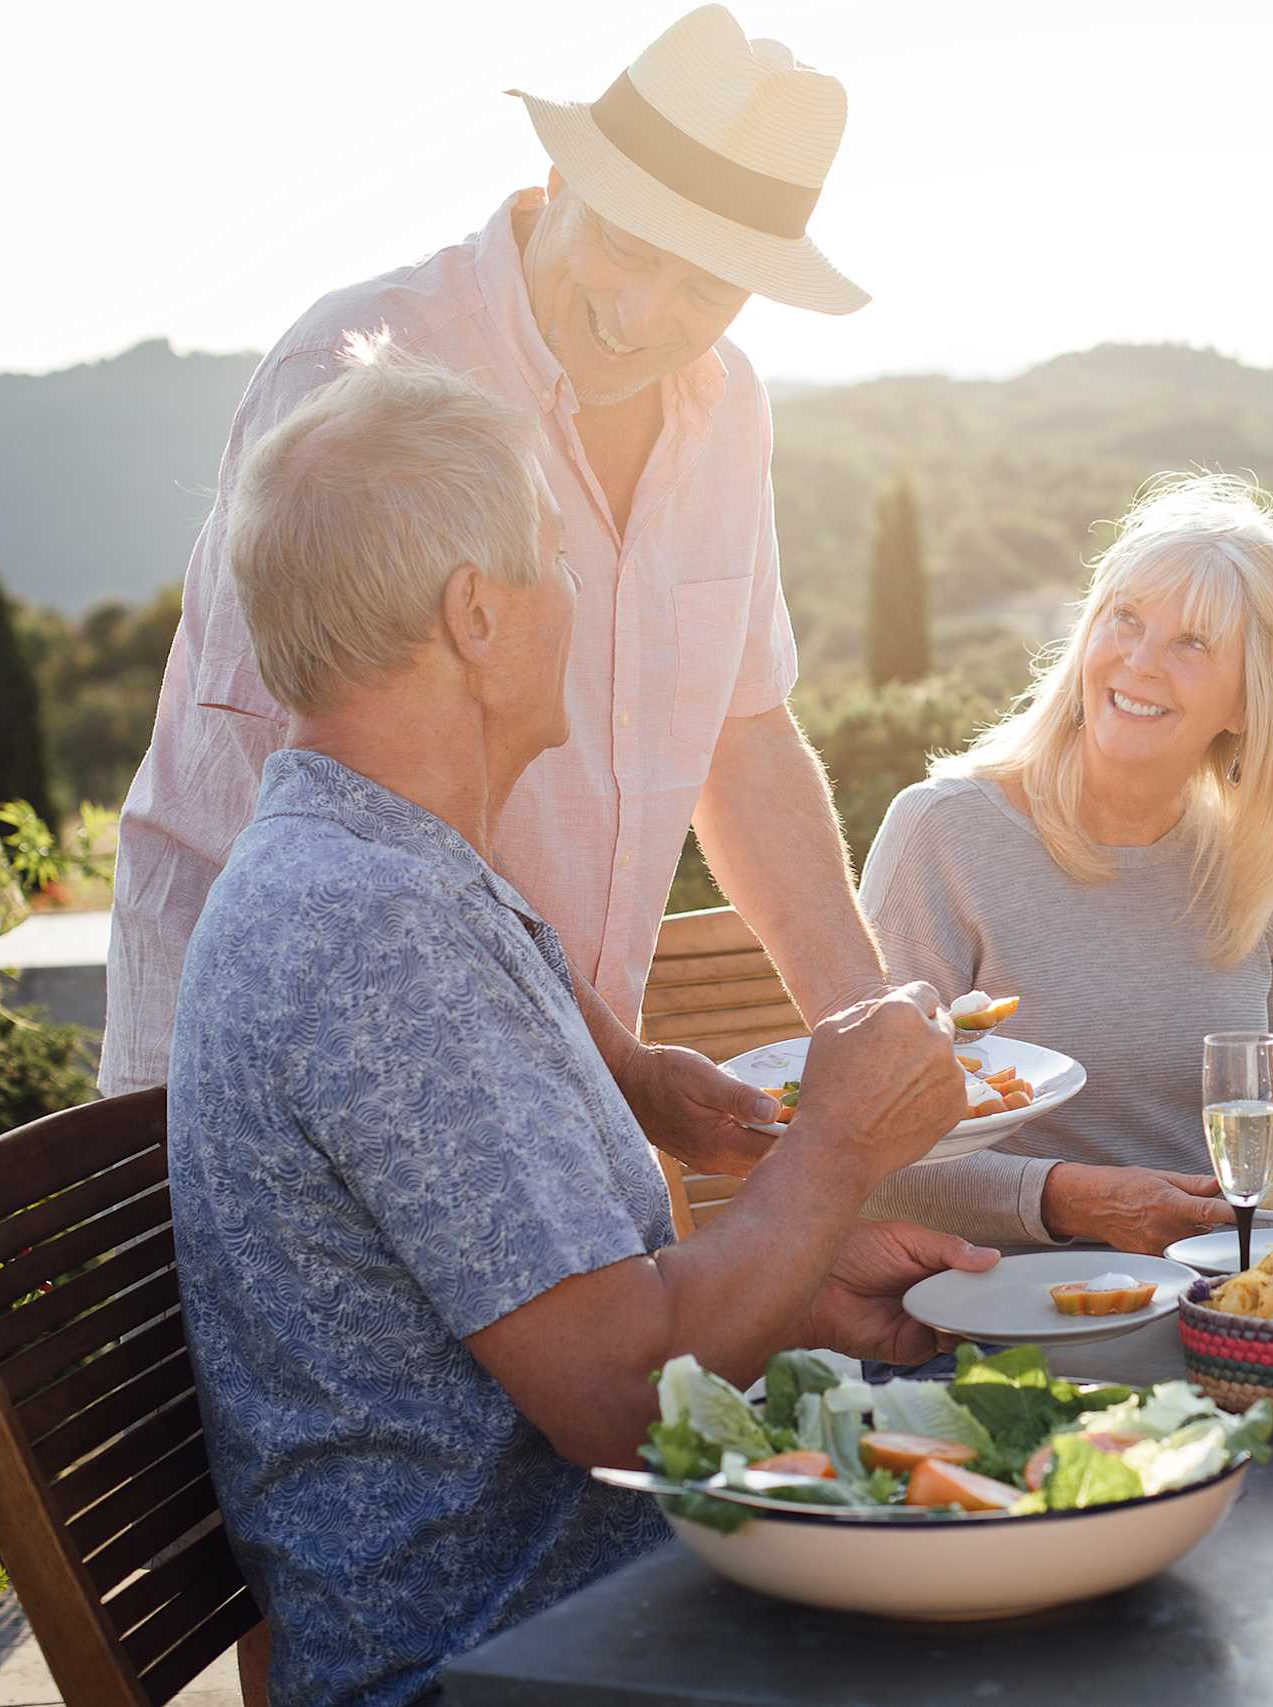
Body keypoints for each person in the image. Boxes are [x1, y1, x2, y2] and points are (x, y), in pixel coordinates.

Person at [168, 341, 994, 1707]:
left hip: (589, 1607)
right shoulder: (377, 933)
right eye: (558, 560)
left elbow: (571, 1327)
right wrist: (838, 1141)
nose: (582, 600)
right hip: (505, 1662)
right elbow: (620, 1389)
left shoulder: (388, 873)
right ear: (478, 613)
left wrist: (798, 1290)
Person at [109, 7, 885, 1188]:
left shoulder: (727, 411)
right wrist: (616, 1063)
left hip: (549, 1061)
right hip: (296, 1064)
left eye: (705, 287)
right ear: (560, 174)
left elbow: (744, 736)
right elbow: (339, 796)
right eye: (628, 246)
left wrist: (868, 1029)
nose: (639, 316)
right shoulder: (364, 375)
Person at [852, 474, 1273, 1252]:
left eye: (1191, 642)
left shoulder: (1255, 864)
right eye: (1127, 619)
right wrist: (1068, 1201)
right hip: (993, 1319)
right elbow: (860, 1156)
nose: (1140, 662)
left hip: (1221, 1295)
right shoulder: (943, 834)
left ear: (1245, 705)